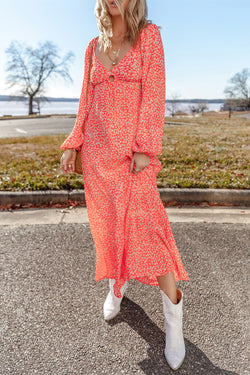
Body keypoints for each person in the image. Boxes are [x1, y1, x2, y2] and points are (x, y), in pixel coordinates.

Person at [60, 0, 189, 370]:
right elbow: (86, 100)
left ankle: (173, 318)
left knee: (150, 232)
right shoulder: (92, 47)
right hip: (98, 157)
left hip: (133, 158)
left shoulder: (148, 37)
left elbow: (154, 95)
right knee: (109, 231)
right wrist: (74, 142)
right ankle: (117, 284)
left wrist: (146, 148)